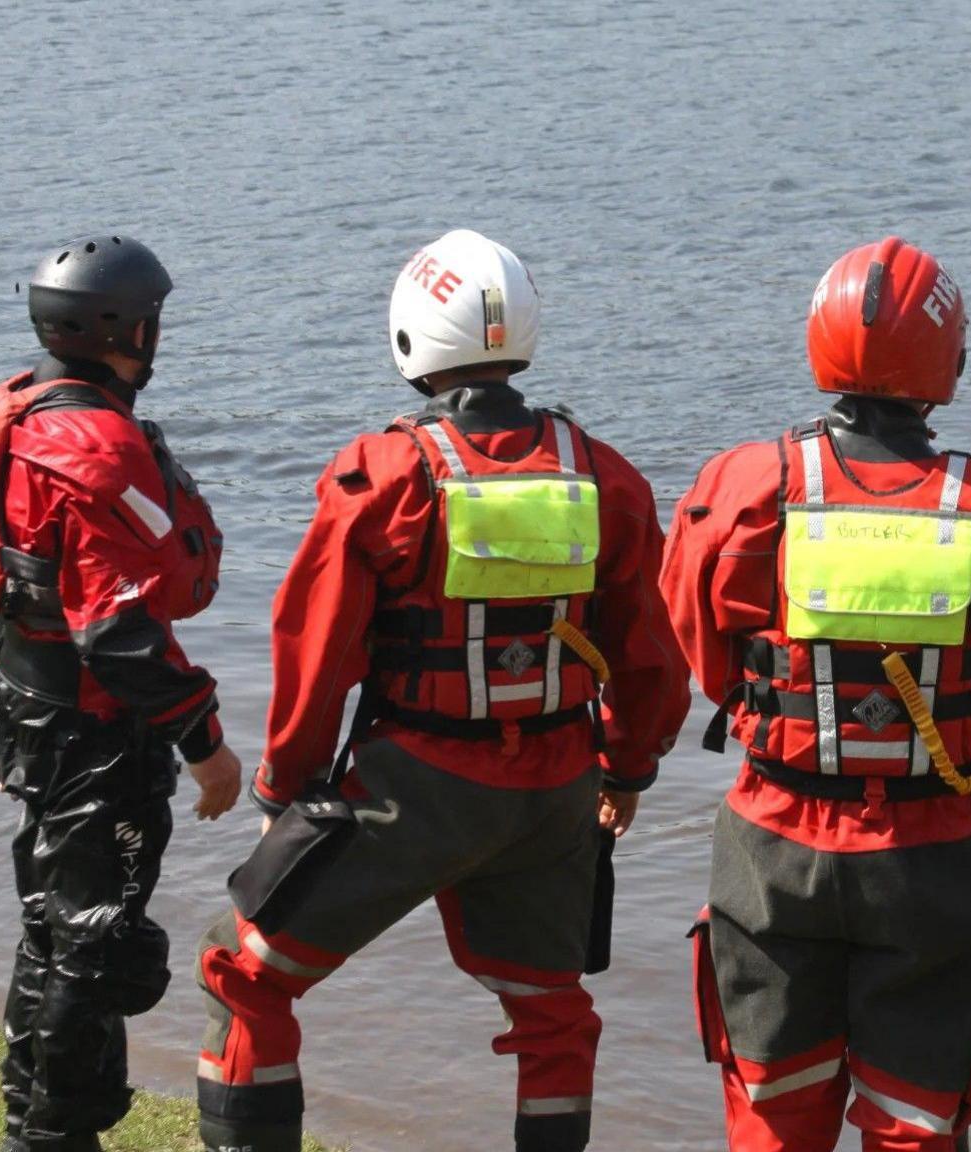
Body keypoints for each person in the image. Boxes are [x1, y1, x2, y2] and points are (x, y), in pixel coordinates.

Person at [191, 229, 689, 1152]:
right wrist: (626, 772)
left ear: (411, 339)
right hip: (555, 789)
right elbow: (652, 658)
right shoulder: (605, 474)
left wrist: (284, 790)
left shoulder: (379, 477)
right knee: (551, 1011)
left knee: (243, 968)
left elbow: (315, 652)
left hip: (409, 783)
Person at [662, 236, 971, 1152]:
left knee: (774, 1117)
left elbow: (701, 652)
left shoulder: (740, 491)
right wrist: (939, 744)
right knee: (916, 1127)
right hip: (933, 861)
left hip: (771, 852)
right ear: (952, 361)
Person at [0, 234, 242, 1152]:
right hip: (93, 732)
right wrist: (206, 744)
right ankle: (53, 1136)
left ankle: (36, 1126)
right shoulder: (91, 445)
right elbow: (115, 630)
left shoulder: (23, 413)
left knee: (54, 930)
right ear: (128, 330)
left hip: (32, 712)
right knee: (93, 943)